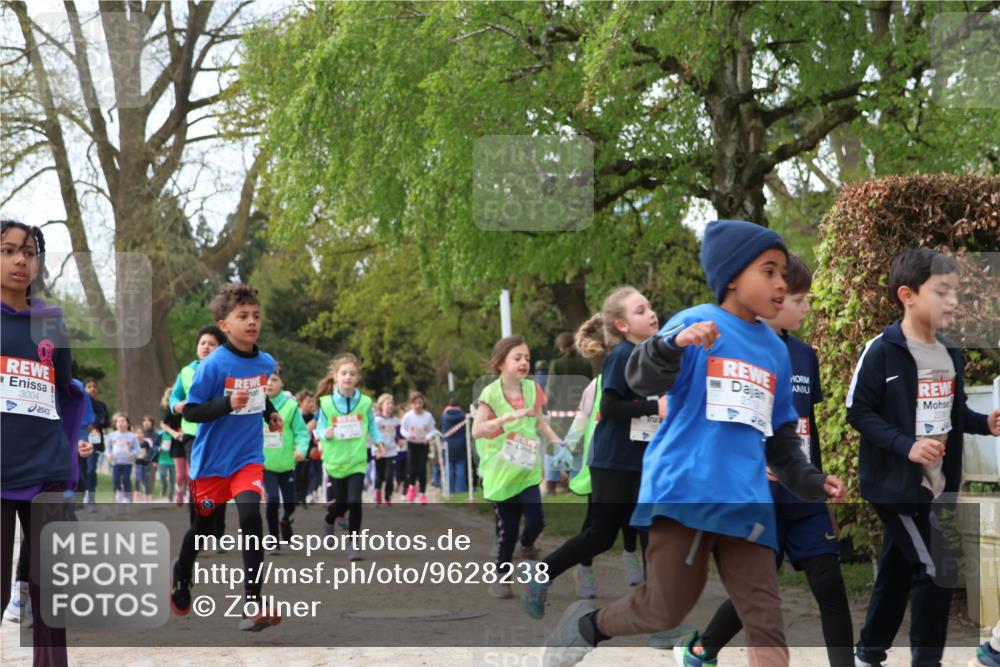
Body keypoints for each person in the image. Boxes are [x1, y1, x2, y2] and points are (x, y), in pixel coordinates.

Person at [541, 219, 846, 667]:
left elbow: (781, 441)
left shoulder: (776, 352)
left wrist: (811, 480)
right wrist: (675, 344)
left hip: (747, 501)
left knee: (765, 621)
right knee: (663, 608)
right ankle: (590, 624)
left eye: (783, 273)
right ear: (734, 275)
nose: (782, 283)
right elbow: (638, 377)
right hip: (684, 491)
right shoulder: (694, 323)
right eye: (769, 271)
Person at [685, 255, 854, 666]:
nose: (807, 307)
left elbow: (806, 425)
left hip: (804, 493)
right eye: (801, 299)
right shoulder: (737, 349)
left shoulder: (805, 356)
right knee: (760, 593)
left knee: (830, 586)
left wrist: (819, 480)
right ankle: (704, 648)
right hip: (758, 496)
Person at [848, 249, 1000, 667]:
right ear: (907, 295)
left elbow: (954, 413)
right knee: (938, 569)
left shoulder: (951, 354)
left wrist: (984, 422)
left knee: (898, 570)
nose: (952, 301)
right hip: (892, 486)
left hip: (934, 487)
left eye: (956, 292)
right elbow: (857, 411)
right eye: (942, 291)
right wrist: (906, 445)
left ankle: (868, 654)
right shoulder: (880, 351)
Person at [521, 287, 664, 619]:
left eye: (650, 306)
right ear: (622, 325)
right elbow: (611, 406)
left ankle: (657, 614)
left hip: (640, 462)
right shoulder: (622, 355)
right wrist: (657, 406)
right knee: (602, 536)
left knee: (648, 533)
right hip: (615, 463)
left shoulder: (646, 355)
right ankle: (538, 574)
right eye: (641, 310)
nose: (652, 313)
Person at [169, 282, 284, 631]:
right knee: (203, 530)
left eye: (256, 316)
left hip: (247, 457)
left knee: (252, 518)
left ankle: (252, 603)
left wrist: (270, 413)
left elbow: (258, 394)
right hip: (211, 462)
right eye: (243, 316)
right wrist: (224, 405)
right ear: (224, 324)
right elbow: (190, 412)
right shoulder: (214, 365)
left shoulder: (265, 361)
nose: (252, 322)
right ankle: (181, 572)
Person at [1, 218, 89, 666]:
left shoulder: (52, 323)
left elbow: (66, 391)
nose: (20, 259)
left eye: (30, 252)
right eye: (9, 250)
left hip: (47, 473)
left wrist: (69, 452)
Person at [471, 335, 566, 599]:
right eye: (517, 358)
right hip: (500, 475)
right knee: (507, 530)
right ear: (501, 362)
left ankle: (526, 546)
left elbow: (540, 422)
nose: (524, 362)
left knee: (536, 521)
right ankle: (501, 576)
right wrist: (504, 418)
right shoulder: (490, 393)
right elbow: (476, 430)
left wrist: (557, 443)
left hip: (526, 472)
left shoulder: (533, 389)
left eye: (527, 357)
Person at [316, 353, 382, 559]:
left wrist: (379, 443)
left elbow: (371, 424)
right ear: (336, 377)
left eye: (352, 374)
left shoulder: (364, 402)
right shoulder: (325, 403)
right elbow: (319, 428)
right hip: (335, 461)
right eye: (343, 373)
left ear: (357, 378)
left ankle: (353, 543)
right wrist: (323, 434)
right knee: (342, 503)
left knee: (355, 502)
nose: (348, 377)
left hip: (357, 460)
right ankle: (329, 519)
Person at [169, 325, 227, 535]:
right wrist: (176, 406)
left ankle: (218, 529)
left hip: (218, 432)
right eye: (202, 343)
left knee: (217, 479)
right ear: (197, 348)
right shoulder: (186, 371)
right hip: (192, 434)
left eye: (212, 344)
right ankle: (198, 528)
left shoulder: (224, 369)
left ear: (220, 349)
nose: (206, 347)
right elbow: (175, 396)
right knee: (197, 477)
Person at [262, 367, 310, 550]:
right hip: (265, 463)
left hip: (287, 463)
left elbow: (302, 433)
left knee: (290, 502)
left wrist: (301, 450)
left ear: (282, 383)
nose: (269, 384)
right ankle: (273, 540)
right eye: (265, 380)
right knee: (272, 499)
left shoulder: (291, 407)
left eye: (273, 379)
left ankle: (285, 520)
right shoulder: (255, 405)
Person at [544, 332, 594, 494]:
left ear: (560, 346)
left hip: (559, 413)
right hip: (580, 413)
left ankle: (551, 485)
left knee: (553, 447)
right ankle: (575, 484)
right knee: (577, 448)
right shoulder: (586, 364)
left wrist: (547, 407)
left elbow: (551, 389)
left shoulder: (557, 364)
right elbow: (590, 388)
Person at [83, 376, 109, 506]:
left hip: (96, 442)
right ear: (84, 389)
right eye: (89, 387)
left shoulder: (101, 405)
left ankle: (91, 497)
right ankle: (81, 496)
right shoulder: (80, 403)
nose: (92, 389)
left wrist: (95, 424)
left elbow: (106, 421)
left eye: (94, 386)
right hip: (81, 441)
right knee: (82, 470)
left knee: (91, 470)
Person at [373, 394, 402, 505]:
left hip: (392, 451)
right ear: (381, 406)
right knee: (380, 475)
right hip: (379, 451)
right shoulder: (377, 420)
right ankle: (377, 493)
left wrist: (399, 440)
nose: (390, 406)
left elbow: (398, 434)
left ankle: (388, 496)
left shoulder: (396, 421)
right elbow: (373, 435)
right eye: (388, 403)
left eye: (392, 403)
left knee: (389, 475)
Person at [107, 414, 140, 503]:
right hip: (116, 462)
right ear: (115, 424)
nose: (120, 423)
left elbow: (137, 449)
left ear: (127, 424)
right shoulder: (112, 435)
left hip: (127, 462)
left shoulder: (132, 436)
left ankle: (128, 498)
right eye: (118, 421)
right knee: (116, 480)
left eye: (123, 421)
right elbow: (108, 448)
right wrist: (109, 454)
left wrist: (133, 454)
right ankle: (119, 491)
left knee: (126, 479)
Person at [439, 397, 468, 494]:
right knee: (460, 466)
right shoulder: (463, 415)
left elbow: (441, 428)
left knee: (449, 466)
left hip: (448, 443)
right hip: (461, 443)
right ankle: (461, 489)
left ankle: (450, 489)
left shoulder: (444, 416)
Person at [159, 386, 182, 501]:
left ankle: (177, 494)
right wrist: (173, 433)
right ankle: (171, 488)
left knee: (184, 475)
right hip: (174, 444)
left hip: (186, 441)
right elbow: (163, 424)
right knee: (172, 475)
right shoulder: (169, 409)